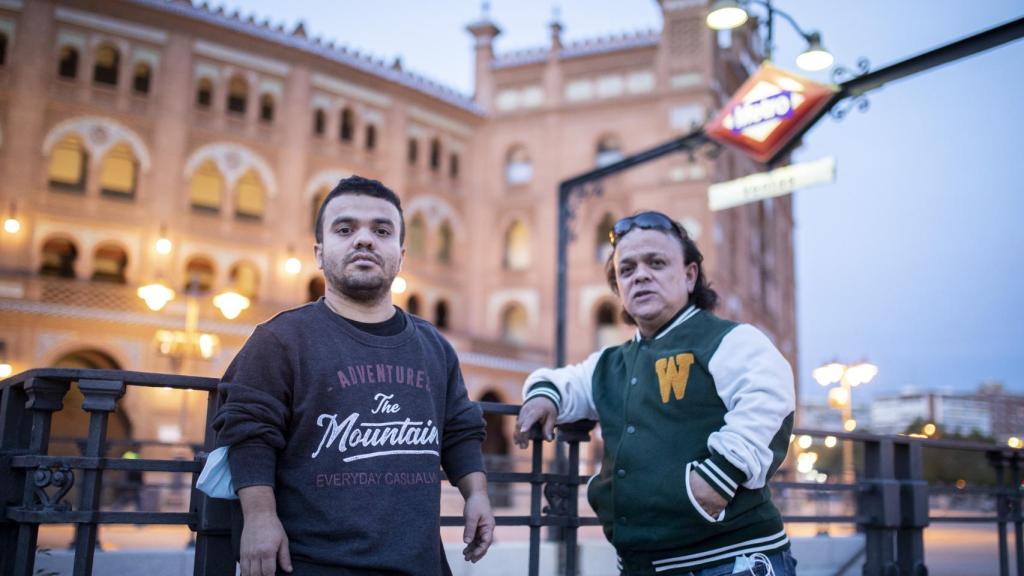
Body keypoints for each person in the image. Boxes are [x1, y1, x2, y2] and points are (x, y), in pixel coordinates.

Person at [213, 176, 494, 576]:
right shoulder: (280, 339)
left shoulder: (434, 346)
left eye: (381, 231)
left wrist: (477, 494)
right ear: (319, 252)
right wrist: (259, 517)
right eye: (345, 229)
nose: (364, 240)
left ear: (400, 253)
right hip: (313, 564)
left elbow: (461, 430)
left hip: (421, 564)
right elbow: (249, 432)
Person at [514, 211, 796, 576]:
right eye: (626, 270)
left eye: (657, 263)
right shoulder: (609, 363)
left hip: (731, 561)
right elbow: (561, 382)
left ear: (690, 275)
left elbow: (769, 400)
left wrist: (716, 480)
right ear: (618, 287)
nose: (640, 275)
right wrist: (542, 396)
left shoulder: (728, 339)